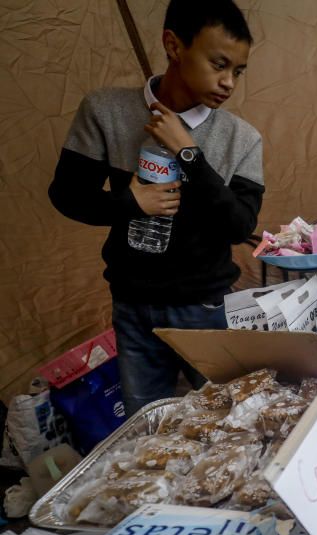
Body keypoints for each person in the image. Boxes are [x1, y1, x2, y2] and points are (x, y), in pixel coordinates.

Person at [48, 0, 264, 416]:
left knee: (226, 419)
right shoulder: (105, 111)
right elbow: (67, 195)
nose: (228, 83)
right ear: (173, 45)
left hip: (204, 306)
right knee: (148, 426)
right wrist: (130, 203)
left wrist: (188, 153)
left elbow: (239, 226)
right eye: (219, 64)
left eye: (237, 71)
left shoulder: (242, 138)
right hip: (133, 303)